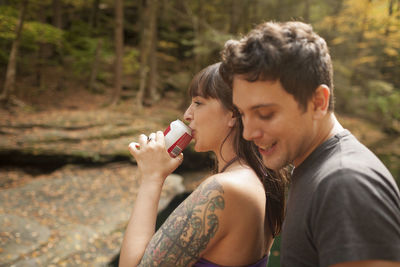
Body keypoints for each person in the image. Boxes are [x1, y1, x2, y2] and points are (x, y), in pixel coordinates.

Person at [219, 21, 400, 267]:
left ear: (318, 102)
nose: (248, 132)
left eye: (265, 114)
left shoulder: (345, 184)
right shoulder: (314, 169)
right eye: (242, 113)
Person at [119, 62, 287, 267]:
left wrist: (151, 178)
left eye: (198, 103)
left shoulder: (226, 188)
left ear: (234, 113)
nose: (187, 114)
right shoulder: (262, 178)